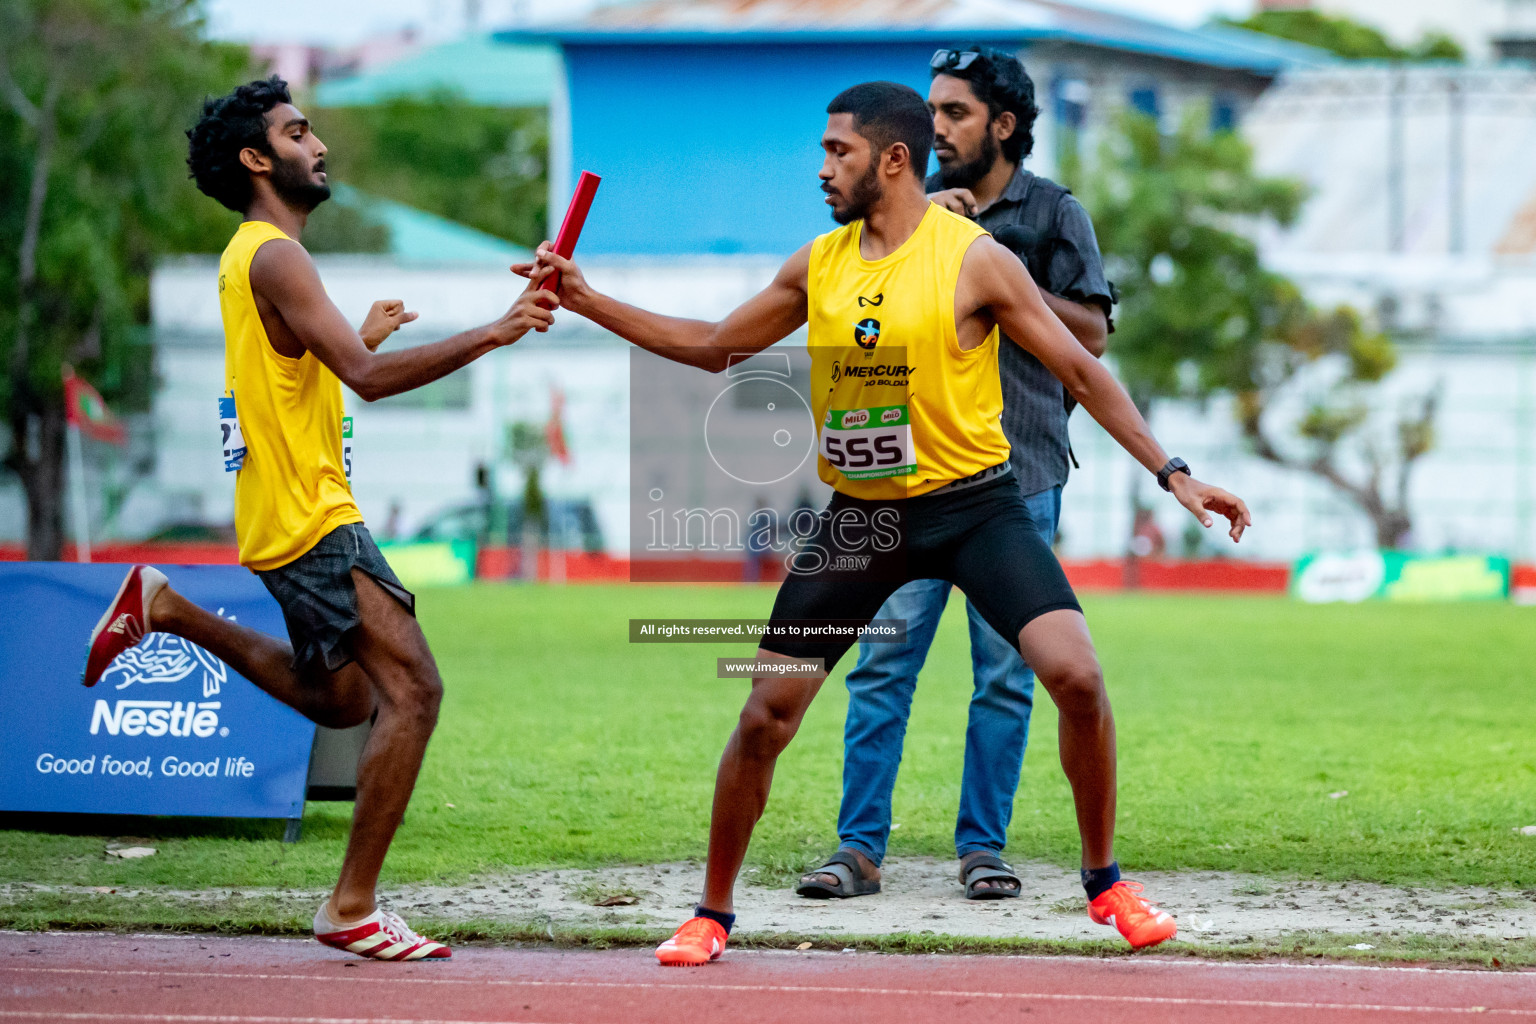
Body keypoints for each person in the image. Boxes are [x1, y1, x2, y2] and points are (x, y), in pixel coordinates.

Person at [522, 80, 1249, 966]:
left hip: (977, 507)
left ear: (892, 159)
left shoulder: (974, 258)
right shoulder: (819, 262)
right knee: (766, 716)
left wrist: (1173, 473)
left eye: (839, 152)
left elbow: (1082, 369)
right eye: (823, 152)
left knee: (1078, 678)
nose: (822, 169)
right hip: (863, 521)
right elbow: (716, 345)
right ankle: (711, 914)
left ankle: (1106, 884)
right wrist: (588, 299)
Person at [81, 76, 560, 961]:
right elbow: (367, 387)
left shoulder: (250, 258)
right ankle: (352, 906)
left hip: (278, 516)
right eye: (299, 132)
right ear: (259, 159)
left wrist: (362, 337)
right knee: (414, 691)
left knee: (344, 700)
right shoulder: (275, 256)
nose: (320, 144)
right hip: (312, 518)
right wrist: (496, 331)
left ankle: (170, 609)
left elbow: (297, 378)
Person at [800, 45, 1115, 904]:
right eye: (930, 112)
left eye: (956, 113)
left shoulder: (1052, 214)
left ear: (1003, 125)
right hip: (900, 477)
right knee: (880, 665)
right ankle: (857, 849)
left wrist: (984, 261)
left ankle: (983, 849)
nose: (936, 127)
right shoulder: (903, 217)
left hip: (1018, 475)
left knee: (1009, 674)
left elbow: (1091, 335)